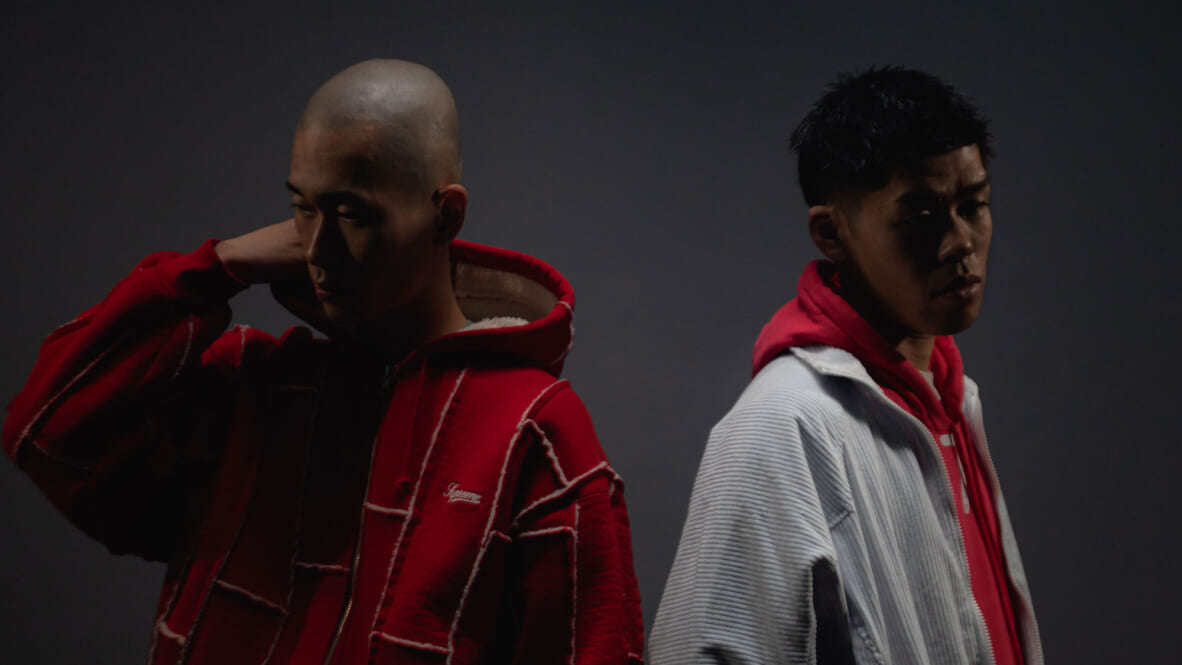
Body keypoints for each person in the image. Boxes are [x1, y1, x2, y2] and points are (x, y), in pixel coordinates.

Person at [3, 59, 643, 665]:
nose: (317, 248)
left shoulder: (534, 431)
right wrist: (218, 266)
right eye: (302, 209)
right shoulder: (259, 387)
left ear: (445, 214)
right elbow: (48, 430)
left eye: (351, 213)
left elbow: (591, 647)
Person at [648, 67, 1042, 665]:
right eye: (922, 216)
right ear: (831, 232)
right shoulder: (782, 425)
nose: (962, 241)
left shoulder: (951, 400)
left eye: (974, 205)